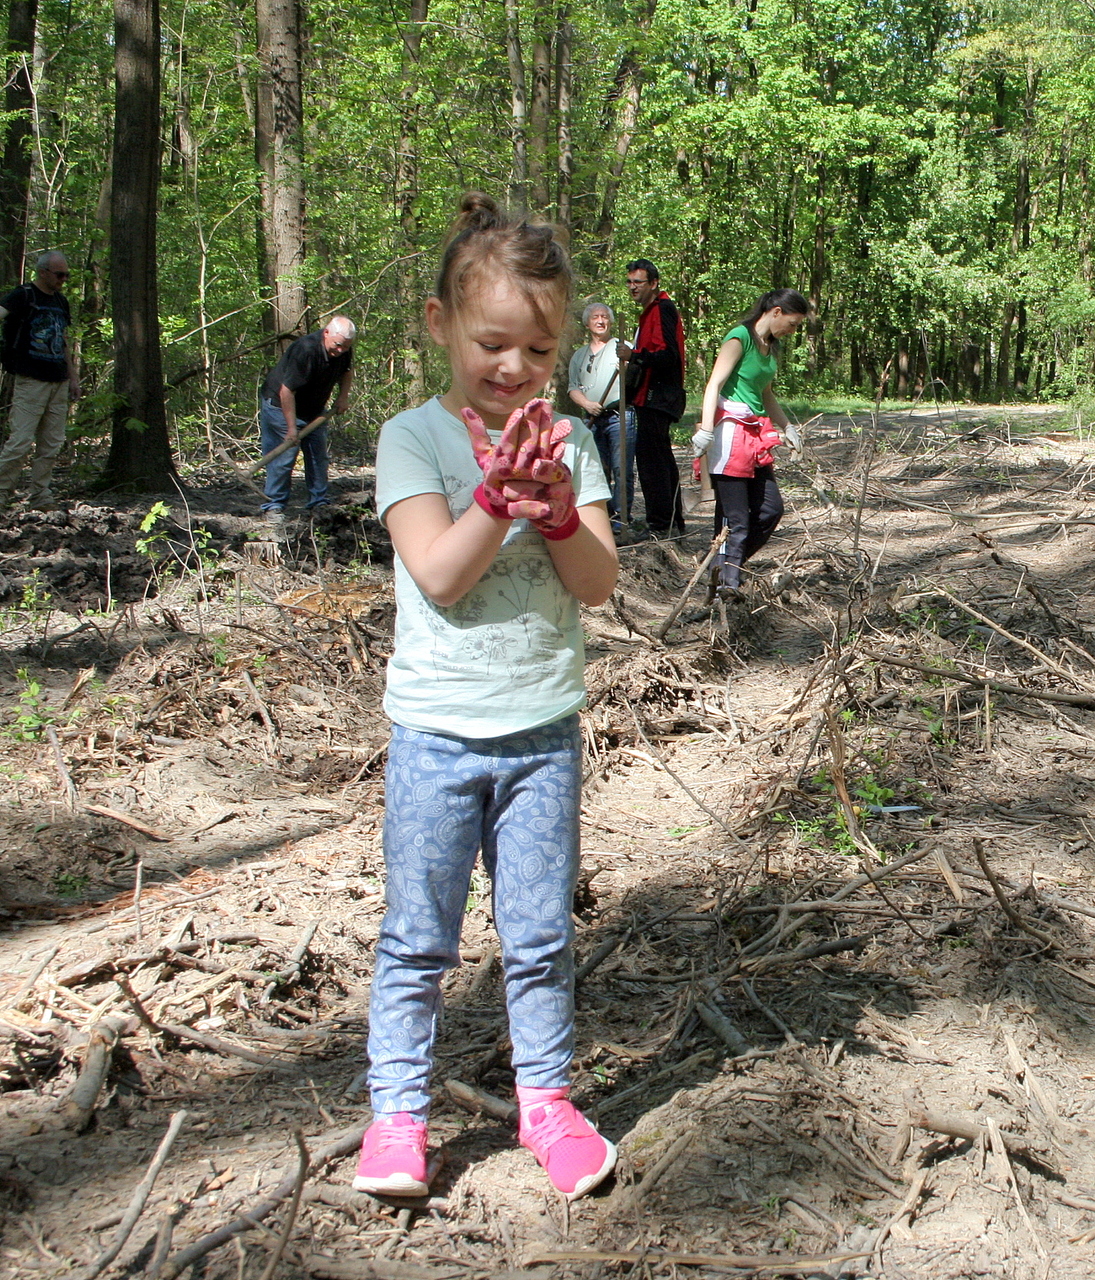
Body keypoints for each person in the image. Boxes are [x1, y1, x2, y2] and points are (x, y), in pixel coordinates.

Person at [358, 192, 620, 1203]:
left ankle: (546, 1102)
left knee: (541, 934)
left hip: (541, 732)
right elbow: (438, 572)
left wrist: (554, 510)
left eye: (538, 351)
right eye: (492, 343)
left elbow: (596, 582)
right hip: (436, 735)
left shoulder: (573, 444)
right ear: (441, 325)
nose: (514, 368)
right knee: (418, 937)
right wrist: (496, 497)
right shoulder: (412, 438)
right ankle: (398, 1116)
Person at [691, 288, 809, 599]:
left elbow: (765, 393)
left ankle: (723, 565)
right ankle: (727, 584)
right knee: (736, 520)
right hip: (730, 434)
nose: (793, 331)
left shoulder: (768, 347)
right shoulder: (739, 338)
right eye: (793, 324)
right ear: (776, 312)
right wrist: (706, 429)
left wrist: (787, 426)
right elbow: (714, 384)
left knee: (770, 509)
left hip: (755, 437)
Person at [0, 251, 80, 509]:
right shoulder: (23, 295)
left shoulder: (61, 301)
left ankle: (40, 495)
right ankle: (1, 492)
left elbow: (63, 341)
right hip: (30, 379)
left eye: (66, 275)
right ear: (43, 272)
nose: (63, 280)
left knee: (52, 443)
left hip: (58, 380)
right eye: (59, 275)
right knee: (21, 441)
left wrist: (73, 377)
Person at [260, 315, 356, 516]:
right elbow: (286, 391)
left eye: (346, 347)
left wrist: (343, 397)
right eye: (338, 345)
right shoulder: (305, 350)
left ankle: (319, 503)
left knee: (317, 456)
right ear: (326, 333)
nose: (341, 350)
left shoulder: (344, 348)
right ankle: (274, 505)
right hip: (280, 406)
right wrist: (291, 428)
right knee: (284, 457)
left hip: (314, 409)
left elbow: (347, 371)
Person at [623, 259, 687, 535]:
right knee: (659, 459)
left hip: (658, 397)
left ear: (653, 283)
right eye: (629, 282)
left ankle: (661, 526)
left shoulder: (662, 309)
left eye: (638, 282)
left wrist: (635, 355)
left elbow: (668, 356)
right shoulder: (650, 312)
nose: (633, 287)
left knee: (653, 463)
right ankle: (670, 523)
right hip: (650, 397)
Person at [566, 301, 631, 523]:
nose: (601, 321)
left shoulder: (621, 348)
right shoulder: (579, 355)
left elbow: (636, 374)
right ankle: (603, 518)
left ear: (610, 321)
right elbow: (572, 388)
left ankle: (621, 519)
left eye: (604, 317)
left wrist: (629, 363)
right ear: (587, 323)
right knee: (596, 469)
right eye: (595, 317)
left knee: (622, 468)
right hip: (592, 419)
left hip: (619, 416)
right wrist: (586, 404)